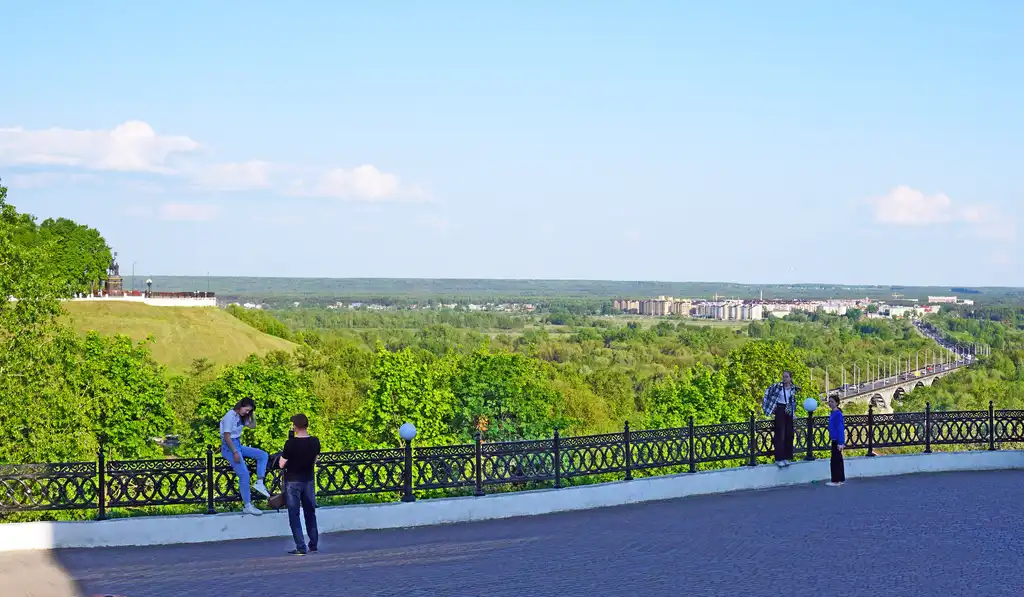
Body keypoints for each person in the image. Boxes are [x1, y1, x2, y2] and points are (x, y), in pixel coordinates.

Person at [219, 397, 270, 516]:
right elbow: (227, 437)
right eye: (246, 410)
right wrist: (235, 452)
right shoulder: (230, 416)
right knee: (244, 475)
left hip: (238, 443)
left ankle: (259, 481)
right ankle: (247, 505)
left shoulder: (241, 417)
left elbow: (252, 426)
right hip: (229, 446)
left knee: (262, 455)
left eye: (249, 411)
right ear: (240, 406)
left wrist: (252, 414)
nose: (247, 412)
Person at [279, 413, 321, 555]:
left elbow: (281, 464)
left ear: (295, 427)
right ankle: (313, 545)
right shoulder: (315, 442)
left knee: (294, 514)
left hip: (292, 481)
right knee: (310, 512)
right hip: (308, 480)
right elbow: (315, 460)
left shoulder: (290, 444)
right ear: (307, 425)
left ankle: (300, 547)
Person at [762, 371, 799, 467]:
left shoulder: (793, 388)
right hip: (780, 408)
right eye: (783, 377)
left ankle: (786, 457)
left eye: (786, 377)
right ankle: (779, 458)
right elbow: (767, 393)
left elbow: (792, 401)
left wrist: (793, 412)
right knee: (780, 434)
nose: (784, 378)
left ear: (790, 378)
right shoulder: (777, 386)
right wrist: (770, 407)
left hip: (788, 409)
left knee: (789, 434)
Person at [827, 394, 846, 486]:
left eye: (832, 402)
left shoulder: (838, 414)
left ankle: (836, 480)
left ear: (837, 403)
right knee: (838, 459)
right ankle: (840, 479)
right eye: (829, 401)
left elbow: (840, 428)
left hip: (837, 440)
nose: (830, 403)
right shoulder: (833, 413)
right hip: (834, 439)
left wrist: (841, 442)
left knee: (835, 461)